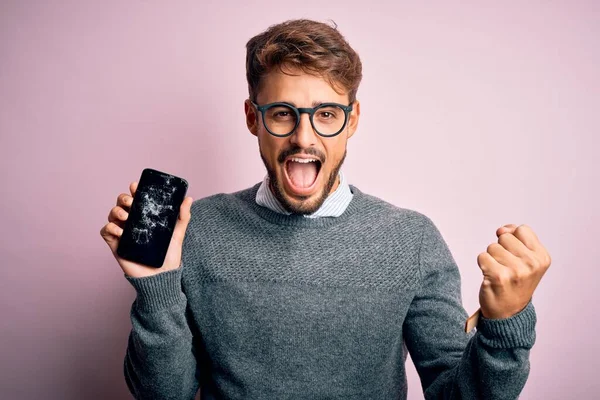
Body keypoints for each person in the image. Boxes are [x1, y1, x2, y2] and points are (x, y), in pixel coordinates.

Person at [100, 18, 551, 400]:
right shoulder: (197, 230)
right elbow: (164, 394)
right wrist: (155, 288)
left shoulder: (411, 240)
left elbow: (456, 393)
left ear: (351, 120)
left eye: (327, 114)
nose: (303, 137)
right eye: (282, 113)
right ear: (253, 118)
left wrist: (504, 326)